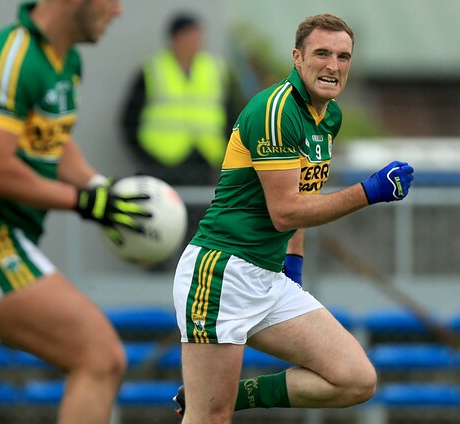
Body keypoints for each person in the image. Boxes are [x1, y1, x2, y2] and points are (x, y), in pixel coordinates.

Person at [171, 13, 414, 423]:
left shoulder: (328, 116)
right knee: (210, 417)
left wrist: (294, 266)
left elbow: (305, 195)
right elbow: (284, 211)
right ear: (297, 58)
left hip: (267, 277)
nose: (333, 66)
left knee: (355, 379)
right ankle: (212, 401)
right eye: (322, 54)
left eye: (343, 57)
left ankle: (234, 395)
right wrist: (370, 192)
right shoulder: (276, 109)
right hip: (222, 272)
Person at [0, 1, 152, 423]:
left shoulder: (66, 61)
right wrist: (80, 201)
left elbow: (52, 138)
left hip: (3, 234)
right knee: (99, 356)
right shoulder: (11, 58)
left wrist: (98, 188)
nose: (119, 11)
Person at [120, 12, 245, 268]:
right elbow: (128, 120)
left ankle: (191, 281)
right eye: (189, 36)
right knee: (157, 229)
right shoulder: (153, 69)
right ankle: (156, 282)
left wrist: (227, 154)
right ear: (175, 39)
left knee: (199, 230)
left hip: (203, 161)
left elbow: (235, 115)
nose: (196, 42)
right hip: (162, 164)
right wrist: (146, 157)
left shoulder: (216, 69)